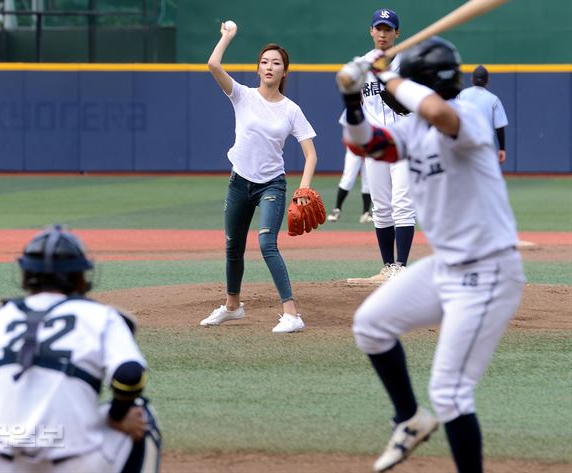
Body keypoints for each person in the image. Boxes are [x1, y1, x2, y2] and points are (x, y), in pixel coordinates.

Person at [337, 37, 525, 472]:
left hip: (489, 270)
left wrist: (384, 74)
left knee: (451, 393)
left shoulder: (468, 114)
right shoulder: (412, 128)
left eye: (401, 83)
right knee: (370, 325)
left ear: (416, 83)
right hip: (448, 267)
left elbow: (440, 112)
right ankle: (409, 418)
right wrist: (351, 100)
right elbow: (367, 145)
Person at [0, 225, 161, 473]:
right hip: (79, 461)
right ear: (81, 276)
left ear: (25, 275)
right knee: (142, 413)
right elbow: (129, 373)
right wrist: (117, 415)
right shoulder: (101, 316)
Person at [200, 22, 318, 333]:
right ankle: (232, 306)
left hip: (271, 184)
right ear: (258, 69)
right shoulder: (242, 95)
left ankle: (292, 314)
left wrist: (304, 187)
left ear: (284, 72)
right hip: (239, 182)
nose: (269, 66)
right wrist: (227, 37)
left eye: (276, 62)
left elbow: (311, 154)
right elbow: (213, 65)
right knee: (232, 246)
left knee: (267, 242)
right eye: (264, 61)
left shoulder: (292, 110)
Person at [351, 8, 416, 281]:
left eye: (388, 29)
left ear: (396, 33)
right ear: (371, 31)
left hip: (403, 141)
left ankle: (401, 266)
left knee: (402, 202)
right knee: (380, 205)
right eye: (379, 28)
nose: (382, 33)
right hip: (375, 143)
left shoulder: (409, 63)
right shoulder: (361, 65)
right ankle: (388, 266)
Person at [458, 65, 509, 162]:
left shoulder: (462, 95)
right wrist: (502, 149)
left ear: (472, 79)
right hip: (485, 145)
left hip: (464, 142)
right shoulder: (494, 99)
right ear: (487, 81)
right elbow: (499, 127)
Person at [326, 125, 373, 224]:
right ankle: (337, 209)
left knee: (368, 181)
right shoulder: (353, 110)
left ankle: (365, 213)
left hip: (370, 149)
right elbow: (347, 133)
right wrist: (358, 150)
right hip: (354, 149)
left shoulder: (374, 111)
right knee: (348, 179)